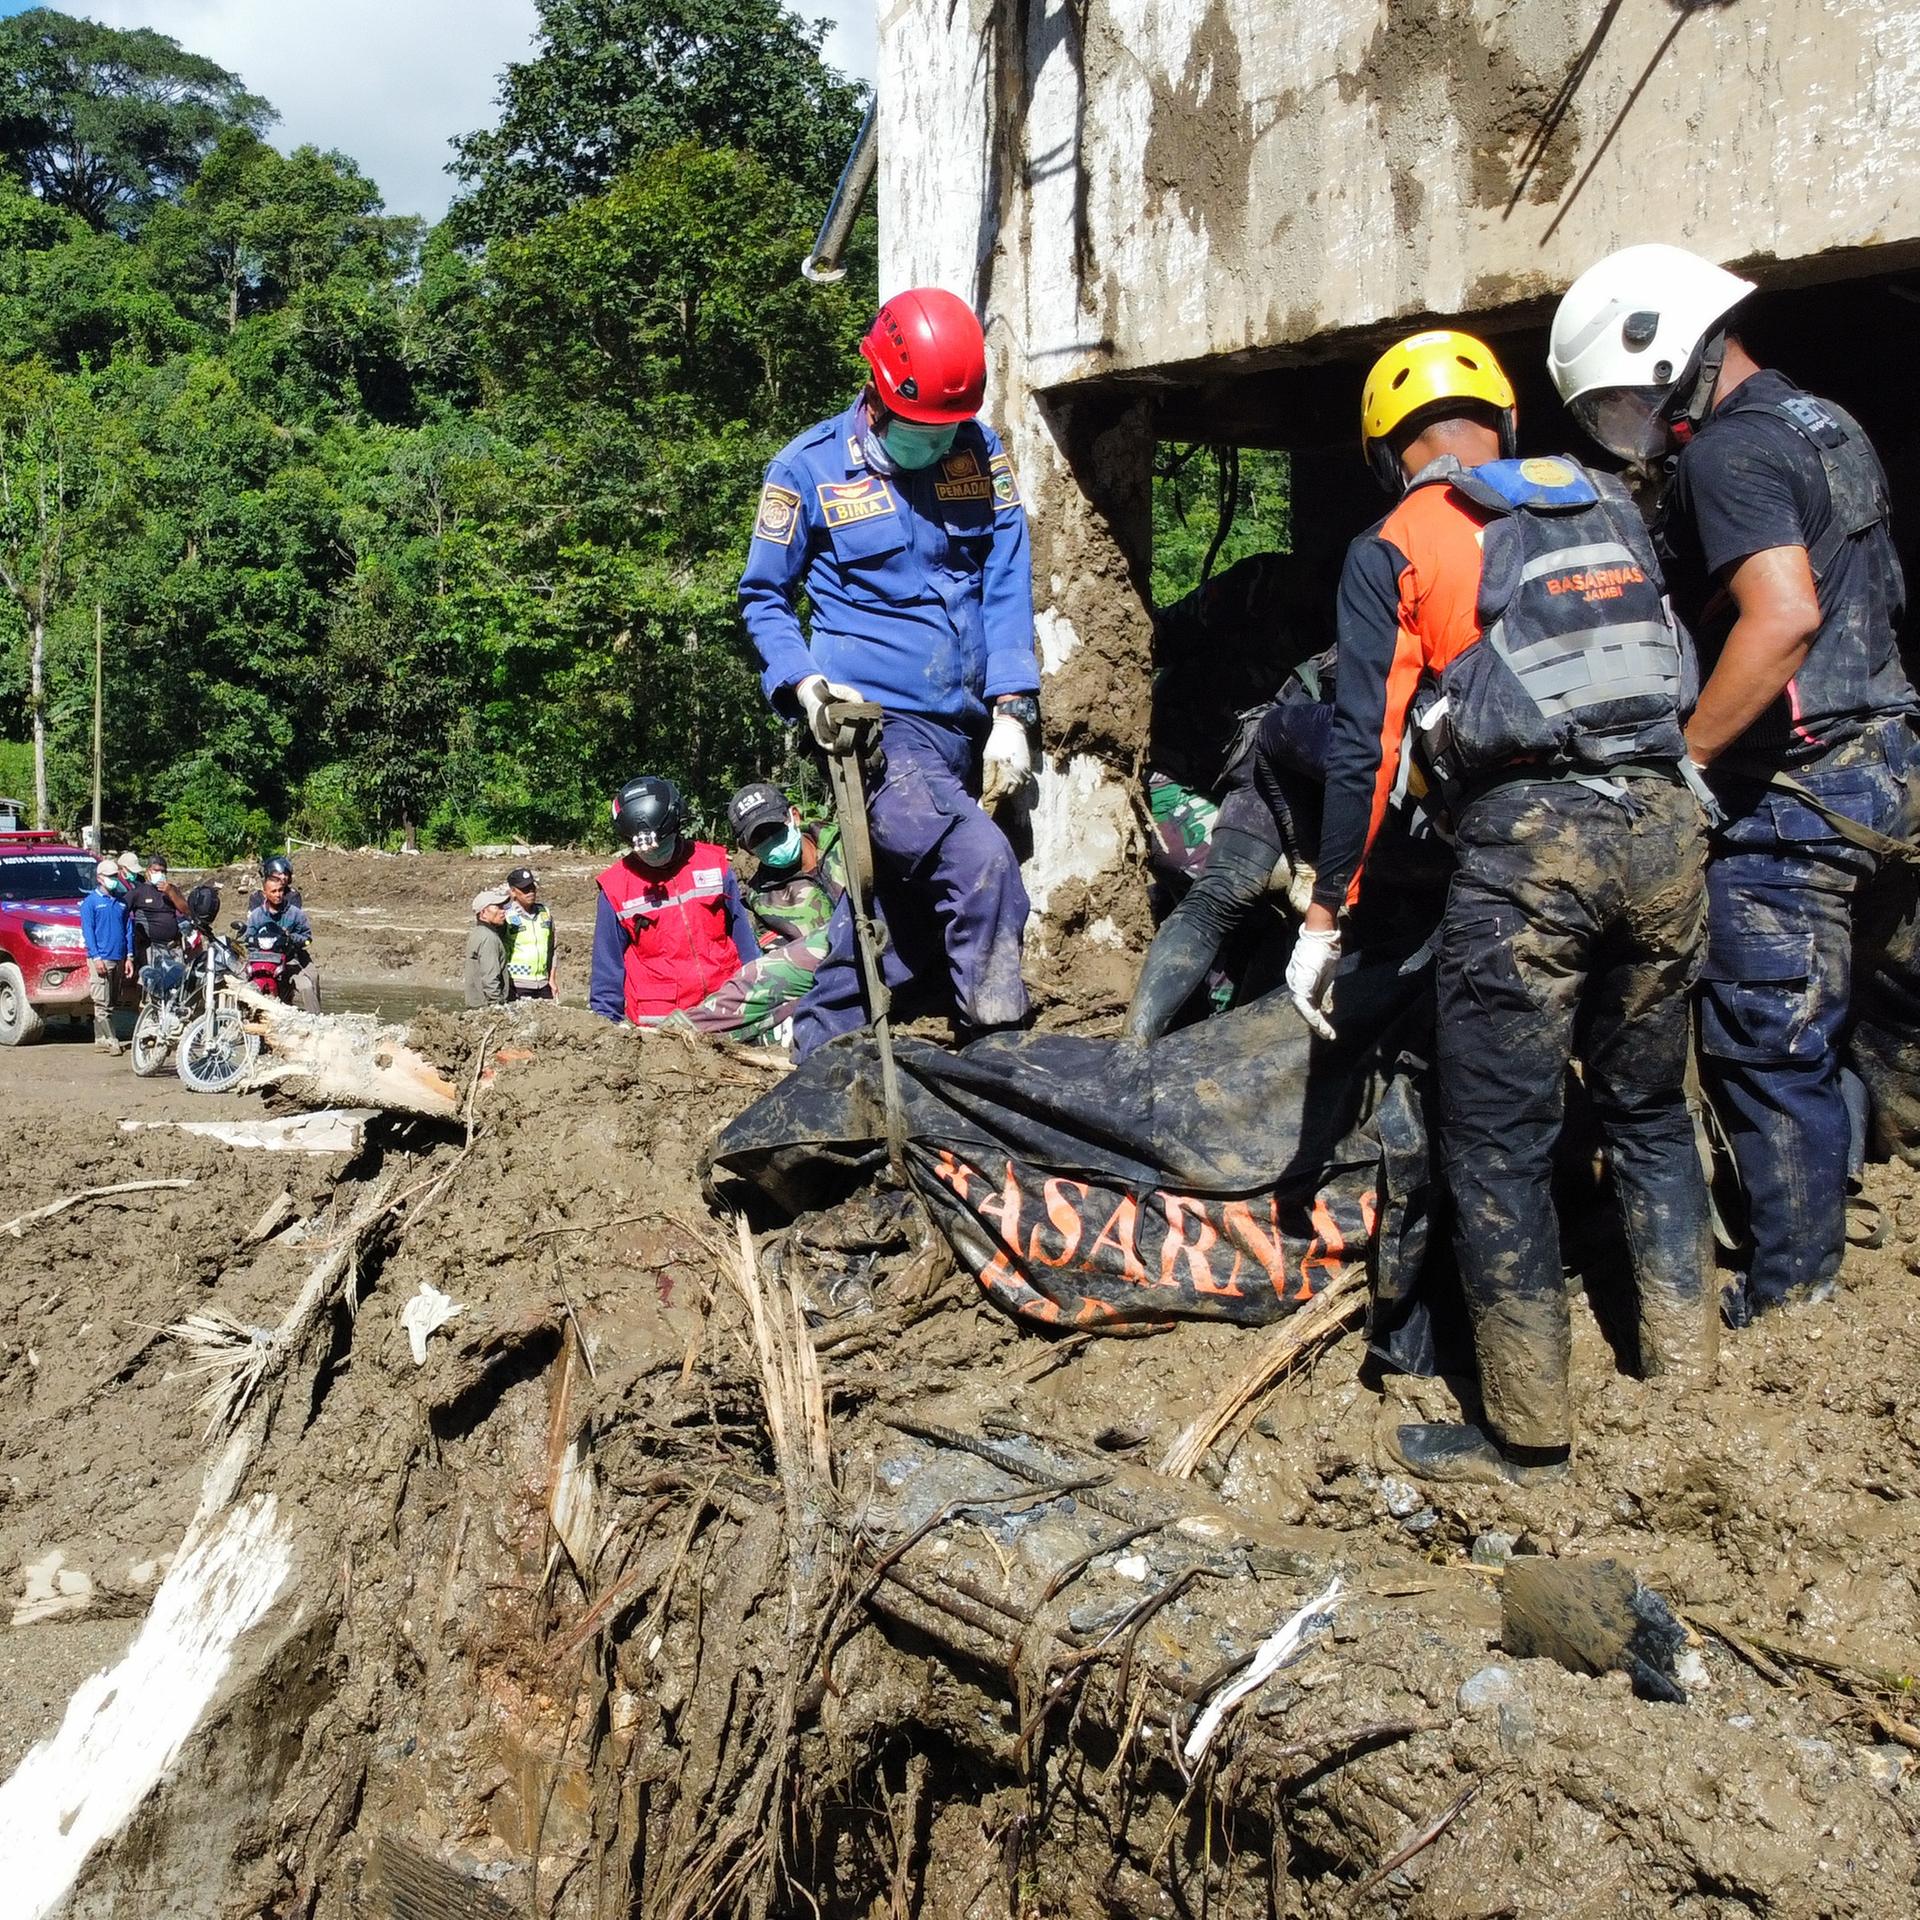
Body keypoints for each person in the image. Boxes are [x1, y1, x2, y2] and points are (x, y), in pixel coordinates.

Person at [1285, 328, 1714, 1487]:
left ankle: (1524, 1433)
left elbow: (1366, 748)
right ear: (1505, 419)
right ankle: (1689, 1375)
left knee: (1497, 1140)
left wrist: (1328, 914)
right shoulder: (1605, 502)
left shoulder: (1399, 541)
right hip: (1669, 826)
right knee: (1651, 1111)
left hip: (1532, 854)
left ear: (1389, 446)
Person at [1551, 245, 1920, 1324]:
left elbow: (1785, 615)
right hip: (1886, 769)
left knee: (1767, 1043)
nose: (1629, 424)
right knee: (1833, 1018)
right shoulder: (1827, 424)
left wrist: (1691, 760)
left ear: (1664, 349)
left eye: (1621, 400)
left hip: (1796, 793)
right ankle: (1844, 1191)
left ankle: (1792, 1292)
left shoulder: (1729, 457)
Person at [738, 286, 1041, 1056]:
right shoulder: (807, 471)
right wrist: (805, 686)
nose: (938, 445)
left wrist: (1013, 710)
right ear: (877, 390)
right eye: (922, 430)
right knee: (979, 866)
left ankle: (822, 1043)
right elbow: (765, 596)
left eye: (949, 430)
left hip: (968, 724)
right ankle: (999, 1056)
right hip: (878, 732)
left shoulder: (980, 452)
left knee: (901, 905)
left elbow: (1006, 580)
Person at [1125, 669, 1334, 1042]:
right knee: (1223, 896)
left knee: (1275, 919)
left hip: (1289, 772)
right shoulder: (1286, 728)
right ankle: (1135, 1045)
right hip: (1238, 776)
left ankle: (1230, 1036)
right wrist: (1305, 858)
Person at [589, 775, 759, 1025]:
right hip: (661, 1028)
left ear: (676, 826)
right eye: (644, 850)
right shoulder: (616, 889)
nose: (654, 854)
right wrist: (605, 1026)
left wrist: (762, 993)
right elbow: (607, 971)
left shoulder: (713, 865)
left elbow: (745, 941)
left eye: (661, 845)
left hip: (724, 1011)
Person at [245, 857, 321, 1014]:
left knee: (310, 981)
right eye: (273, 891)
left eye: (280, 890)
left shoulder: (294, 907)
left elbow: (306, 936)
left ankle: (317, 1018)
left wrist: (291, 938)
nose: (278, 894)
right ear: (265, 892)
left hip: (290, 955)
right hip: (264, 956)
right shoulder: (256, 911)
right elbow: (249, 936)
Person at [82, 857, 133, 1053]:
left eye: (116, 876)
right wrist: (96, 957)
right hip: (101, 958)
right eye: (111, 876)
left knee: (111, 1001)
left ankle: (100, 1038)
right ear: (100, 878)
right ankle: (112, 1040)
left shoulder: (121, 903)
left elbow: (128, 929)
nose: (114, 879)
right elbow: (88, 931)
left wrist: (129, 956)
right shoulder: (91, 903)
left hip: (118, 957)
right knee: (101, 1002)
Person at [502, 867, 557, 1001]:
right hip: (517, 983)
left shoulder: (545, 913)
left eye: (532, 887)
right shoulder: (506, 915)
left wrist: (552, 979)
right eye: (525, 889)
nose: (530, 892)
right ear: (513, 892)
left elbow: (552, 948)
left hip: (543, 983)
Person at [128, 854, 188, 975]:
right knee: (155, 984)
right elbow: (122, 909)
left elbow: (186, 910)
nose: (160, 874)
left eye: (163, 871)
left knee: (177, 982)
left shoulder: (172, 889)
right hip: (151, 948)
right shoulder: (138, 892)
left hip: (172, 947)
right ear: (148, 871)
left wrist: (170, 893)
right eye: (156, 870)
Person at [466, 886, 511, 1008]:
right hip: (485, 1007)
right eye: (498, 907)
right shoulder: (488, 938)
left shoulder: (478, 932)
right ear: (483, 913)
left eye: (503, 907)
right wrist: (496, 1006)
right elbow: (490, 977)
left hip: (476, 1004)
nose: (503, 911)